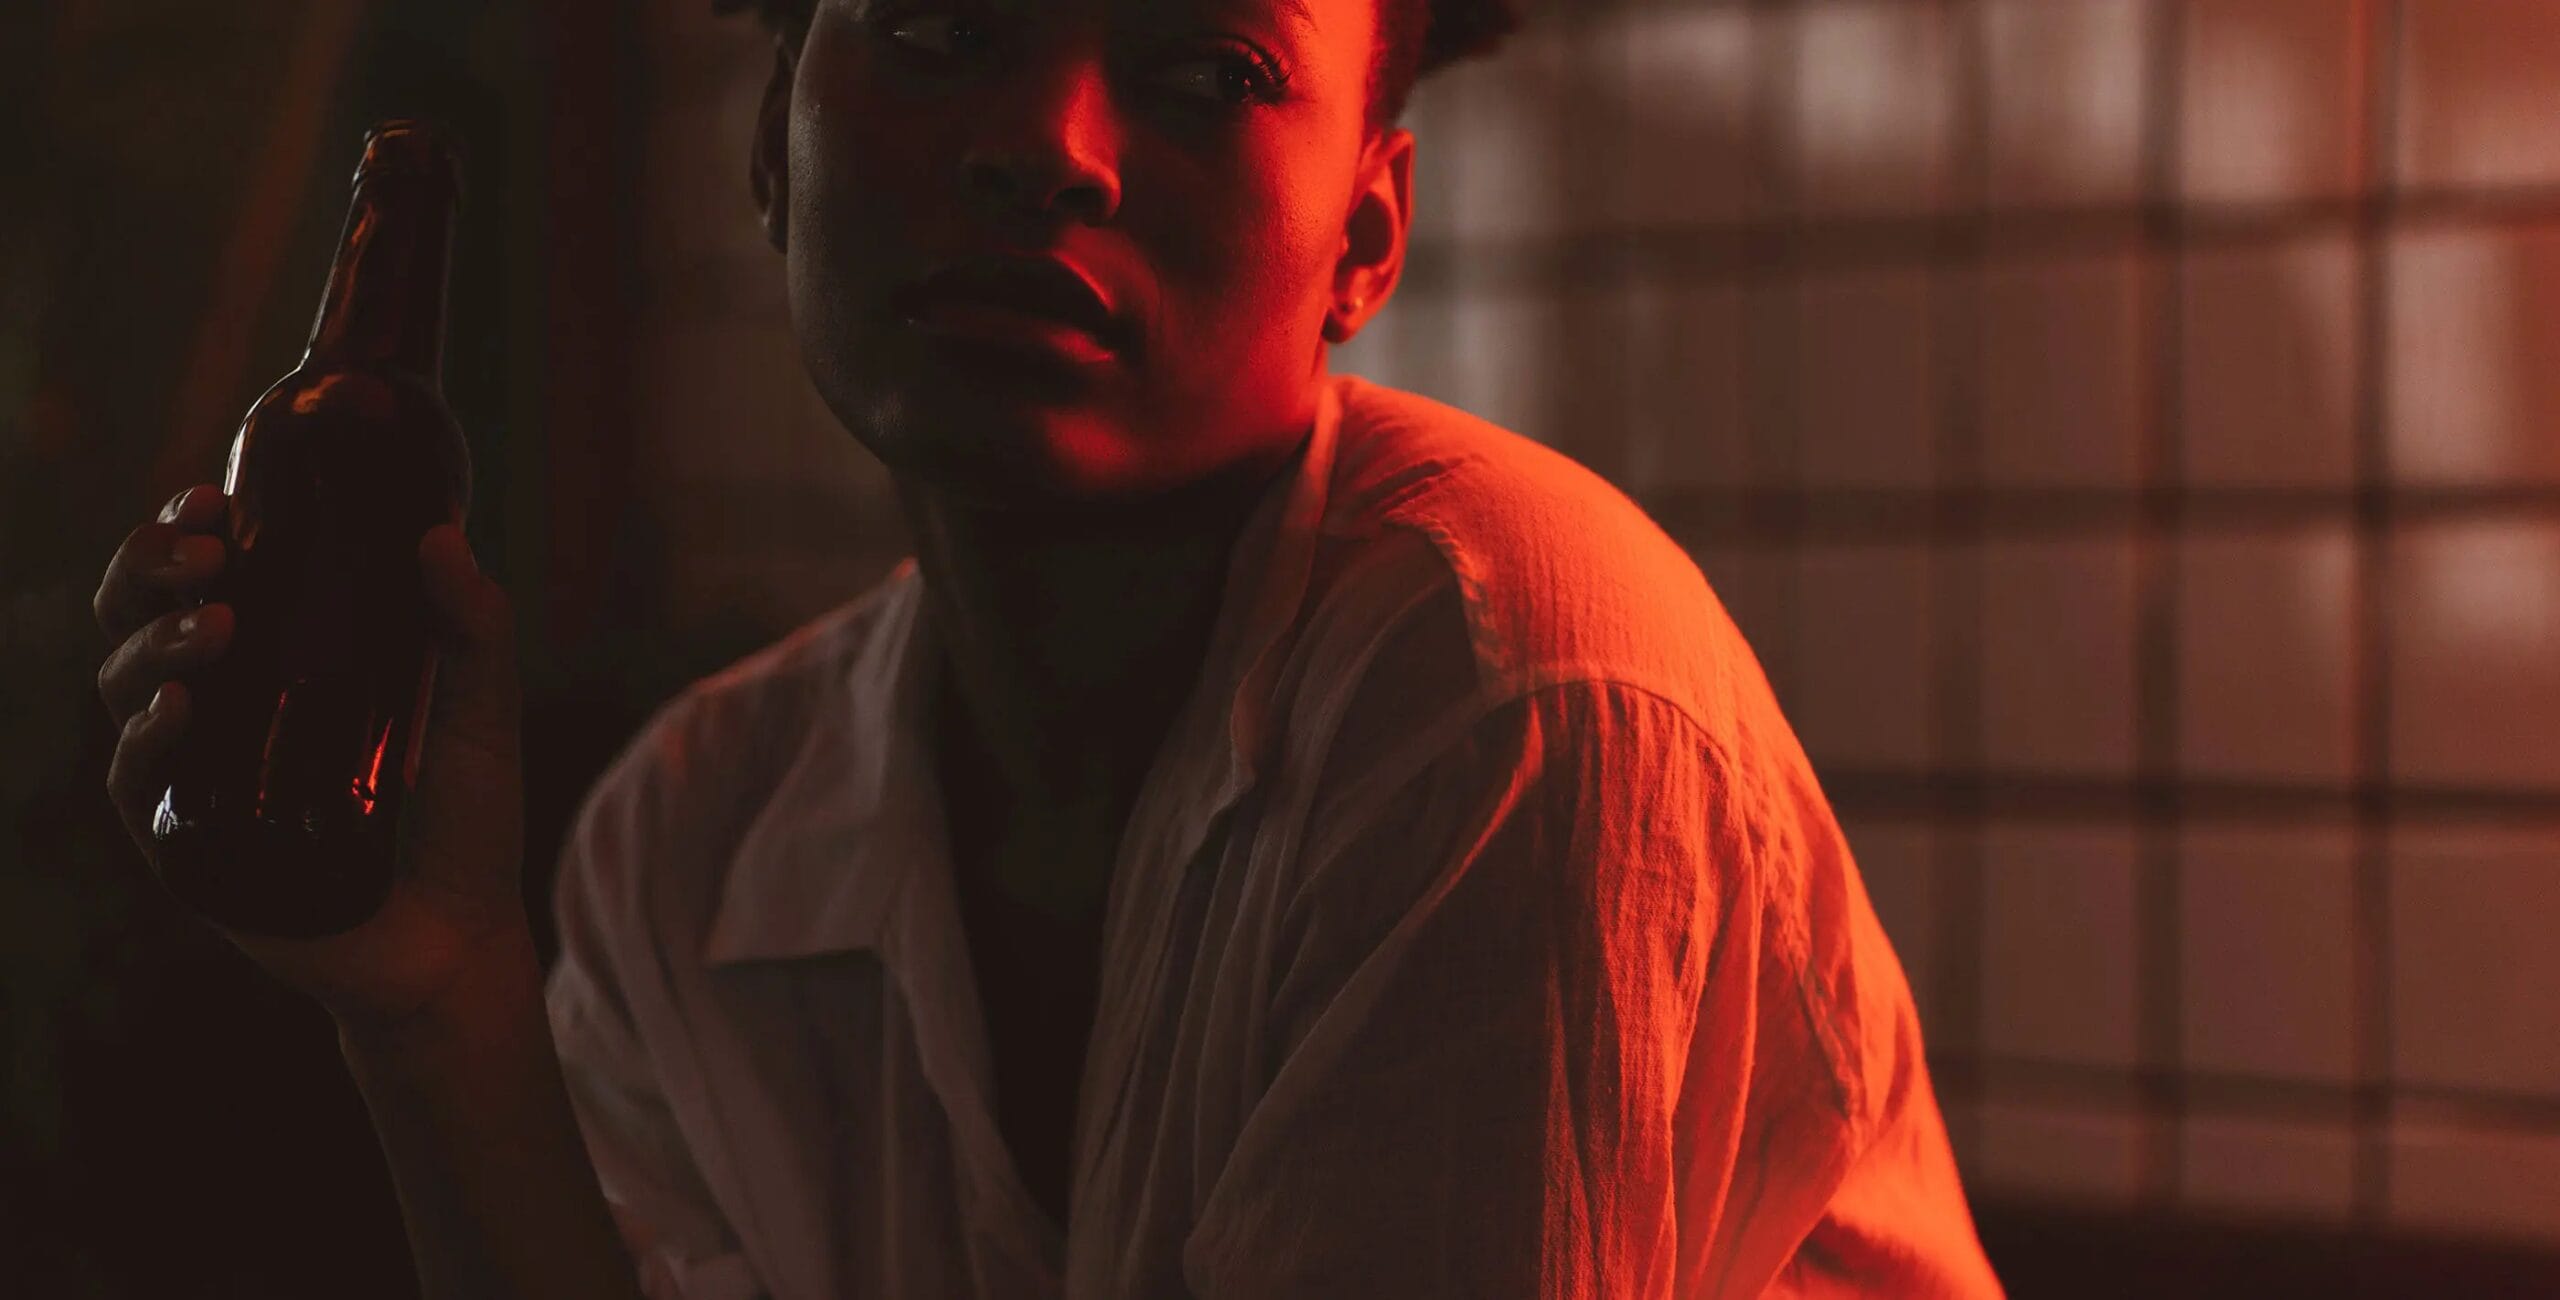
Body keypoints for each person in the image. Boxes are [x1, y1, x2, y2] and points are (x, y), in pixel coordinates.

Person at [93, 0, 2004, 1295]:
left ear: (1366, 233)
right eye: (942, 29)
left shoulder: (1506, 689)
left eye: (1208, 66)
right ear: (772, 145)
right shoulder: (696, 829)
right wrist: (435, 1003)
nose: (1047, 146)